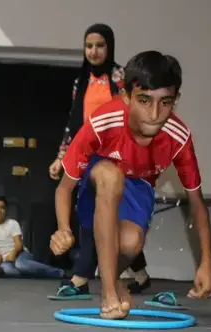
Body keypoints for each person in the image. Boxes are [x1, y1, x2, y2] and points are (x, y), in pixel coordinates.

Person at [50, 50, 211, 320]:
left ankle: (113, 281)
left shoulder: (178, 136)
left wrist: (207, 263)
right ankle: (108, 293)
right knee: (111, 176)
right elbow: (64, 188)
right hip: (96, 183)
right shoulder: (103, 121)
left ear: (176, 100)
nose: (154, 114)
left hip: (138, 186)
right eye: (144, 101)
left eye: (165, 102)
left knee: (131, 243)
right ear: (126, 97)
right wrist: (63, 229)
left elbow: (197, 204)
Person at [47, 23, 152, 300]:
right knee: (99, 216)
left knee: (107, 217)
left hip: (115, 157)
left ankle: (80, 278)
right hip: (87, 155)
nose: (94, 51)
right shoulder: (79, 82)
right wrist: (62, 158)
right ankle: (137, 275)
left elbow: (130, 115)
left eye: (100, 45)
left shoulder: (120, 77)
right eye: (89, 46)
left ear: (110, 47)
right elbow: (74, 124)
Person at [0, 196, 64, 278]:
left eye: (2, 207)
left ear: (6, 211)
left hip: (19, 253)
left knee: (21, 265)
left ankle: (57, 272)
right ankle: (26, 273)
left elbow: (19, 244)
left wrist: (13, 253)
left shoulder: (12, 223)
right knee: (9, 272)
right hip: (2, 259)